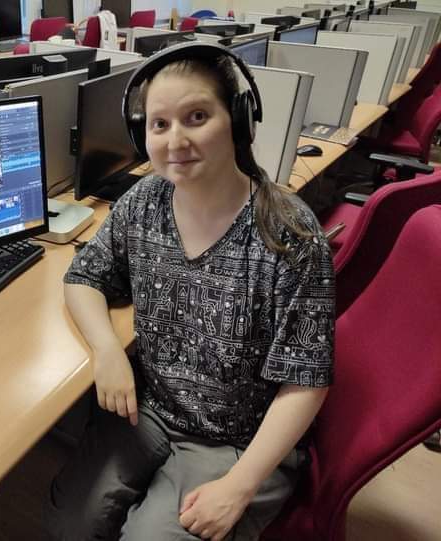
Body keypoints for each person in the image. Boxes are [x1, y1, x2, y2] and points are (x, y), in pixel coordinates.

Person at [48, 43, 335, 541]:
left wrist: (240, 487)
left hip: (237, 440)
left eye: (197, 116)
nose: (175, 140)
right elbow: (83, 278)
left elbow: (306, 382)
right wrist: (108, 350)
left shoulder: (289, 235)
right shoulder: (144, 201)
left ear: (238, 120)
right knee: (69, 525)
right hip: (150, 411)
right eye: (159, 124)